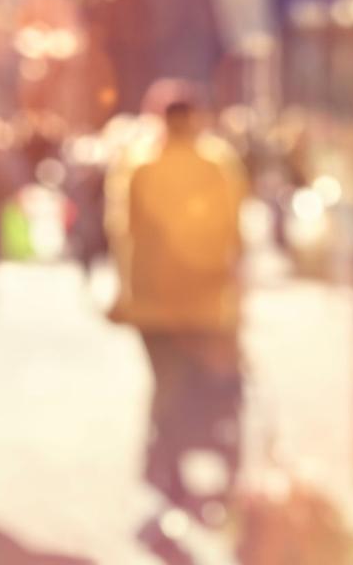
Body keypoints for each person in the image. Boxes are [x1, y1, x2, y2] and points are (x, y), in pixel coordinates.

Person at [108, 96, 245, 560]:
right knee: (198, 386)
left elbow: (126, 234)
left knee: (167, 386)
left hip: (154, 304)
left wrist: (123, 294)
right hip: (204, 304)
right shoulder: (217, 166)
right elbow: (233, 234)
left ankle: (166, 469)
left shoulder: (142, 167)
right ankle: (181, 466)